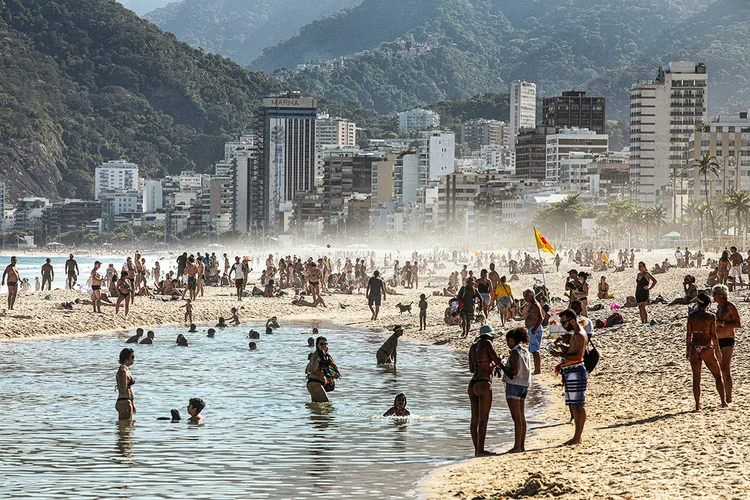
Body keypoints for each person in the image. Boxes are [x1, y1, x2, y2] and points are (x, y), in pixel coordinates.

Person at [552, 309, 589, 445]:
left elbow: (578, 357)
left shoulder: (579, 335)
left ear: (572, 321)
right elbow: (573, 352)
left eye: (563, 322)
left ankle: (577, 437)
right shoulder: (576, 334)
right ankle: (576, 436)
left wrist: (560, 355)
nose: (562, 325)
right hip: (571, 370)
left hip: (576, 371)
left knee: (578, 405)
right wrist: (562, 347)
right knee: (574, 405)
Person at [686, 293, 727, 410]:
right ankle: (723, 402)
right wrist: (718, 351)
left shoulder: (692, 316)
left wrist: (687, 350)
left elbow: (689, 335)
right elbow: (714, 335)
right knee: (717, 376)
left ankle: (697, 405)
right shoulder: (710, 316)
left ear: (699, 304)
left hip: (694, 347)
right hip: (706, 347)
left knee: (696, 378)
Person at [468, 324, 502, 457]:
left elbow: (471, 369)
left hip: (472, 384)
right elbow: (497, 361)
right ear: (488, 336)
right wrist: (495, 364)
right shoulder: (488, 343)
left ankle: (476, 450)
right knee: (484, 419)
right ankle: (481, 450)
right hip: (483, 383)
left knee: (474, 419)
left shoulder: (472, 347)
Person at [497, 327, 531, 453]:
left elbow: (513, 372)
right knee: (521, 417)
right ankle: (521, 445)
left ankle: (517, 446)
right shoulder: (525, 351)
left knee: (516, 418)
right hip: (524, 385)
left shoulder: (515, 353)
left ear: (511, 340)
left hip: (514, 385)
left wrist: (501, 365)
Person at [714, 284, 740, 403]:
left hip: (728, 339)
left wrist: (722, 324)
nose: (713, 296)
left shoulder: (730, 307)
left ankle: (729, 397)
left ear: (721, 294)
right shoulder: (719, 307)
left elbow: (738, 324)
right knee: (721, 369)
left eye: (715, 294)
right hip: (718, 340)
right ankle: (724, 396)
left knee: (725, 367)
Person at [305, 336, 340, 403]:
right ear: (317, 345)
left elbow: (306, 371)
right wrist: (318, 360)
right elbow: (311, 370)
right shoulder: (316, 355)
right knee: (327, 405)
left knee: (316, 409)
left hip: (317, 384)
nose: (324, 345)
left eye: (325, 344)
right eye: (321, 344)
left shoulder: (325, 355)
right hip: (315, 383)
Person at [523, 289, 543, 375]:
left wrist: (535, 328)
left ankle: (537, 370)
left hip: (535, 329)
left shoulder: (535, 305)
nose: (525, 299)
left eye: (526, 297)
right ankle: (536, 369)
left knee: (535, 350)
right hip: (532, 328)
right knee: (534, 350)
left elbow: (541, 318)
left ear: (531, 296)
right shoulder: (531, 305)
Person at [116, 348, 136, 421]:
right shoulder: (123, 370)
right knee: (125, 428)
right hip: (124, 402)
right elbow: (123, 388)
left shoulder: (127, 369)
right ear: (126, 358)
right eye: (132, 357)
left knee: (128, 428)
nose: (133, 359)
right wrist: (123, 374)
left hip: (127, 401)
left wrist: (132, 403)